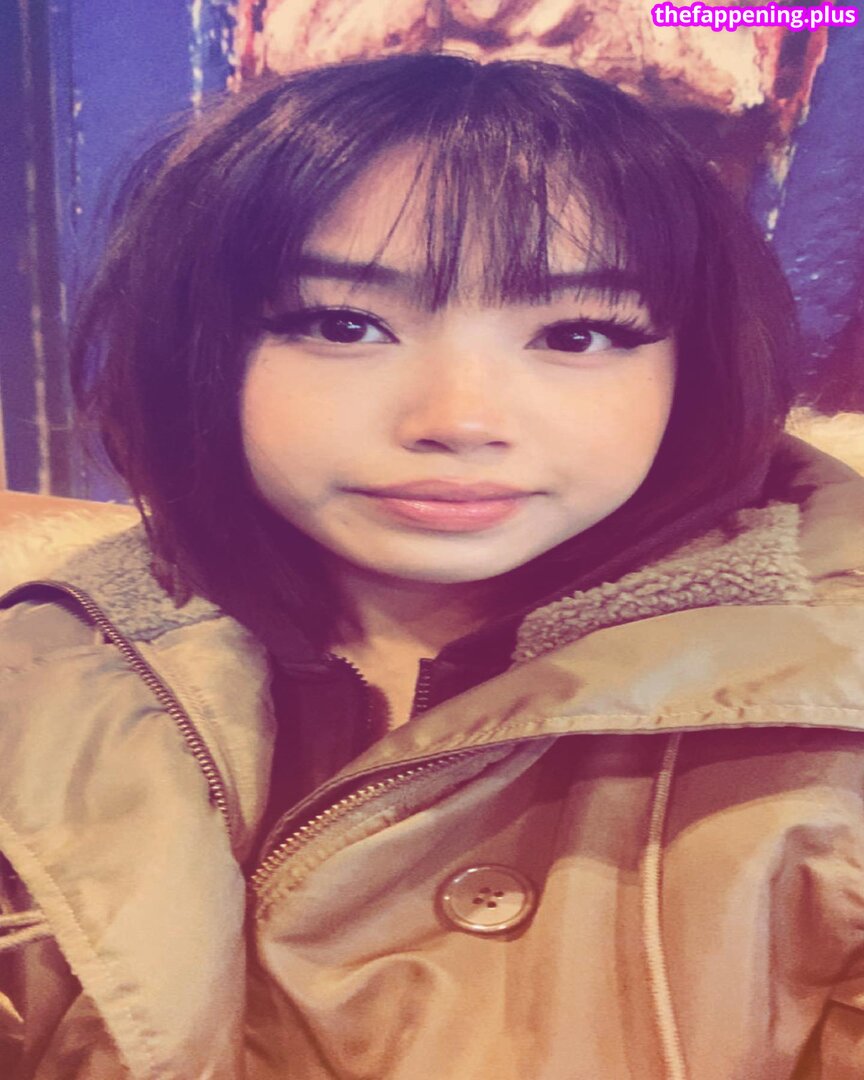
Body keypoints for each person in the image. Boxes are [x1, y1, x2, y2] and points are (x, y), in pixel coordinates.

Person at [0, 52, 862, 1080]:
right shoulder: (42, 676)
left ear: (698, 363)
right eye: (344, 325)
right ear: (198, 345)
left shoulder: (833, 722)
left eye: (578, 333)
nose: (459, 419)